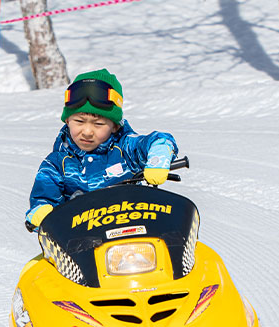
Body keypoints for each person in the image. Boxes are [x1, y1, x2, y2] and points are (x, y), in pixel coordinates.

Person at [25, 68, 178, 231]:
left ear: (114, 126)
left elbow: (159, 140)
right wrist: (41, 213)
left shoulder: (125, 149)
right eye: (79, 121)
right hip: (79, 242)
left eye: (98, 124)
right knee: (40, 258)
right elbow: (43, 198)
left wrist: (158, 157)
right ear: (67, 120)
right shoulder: (56, 164)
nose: (87, 131)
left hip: (132, 233)